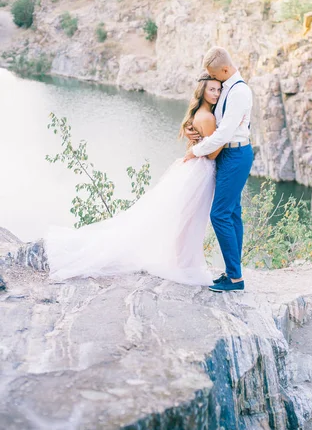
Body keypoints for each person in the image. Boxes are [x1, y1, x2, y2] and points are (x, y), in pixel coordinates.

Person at [45, 74, 222, 286]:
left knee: (185, 217)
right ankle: (185, 264)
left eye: (219, 90)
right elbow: (212, 154)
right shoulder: (209, 118)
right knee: (192, 219)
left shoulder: (199, 114)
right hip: (201, 170)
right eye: (212, 89)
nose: (216, 94)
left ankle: (183, 261)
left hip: (193, 169)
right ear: (202, 90)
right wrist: (226, 135)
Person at [183, 46, 253, 293]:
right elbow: (214, 117)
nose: (216, 82)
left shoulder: (239, 91)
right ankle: (234, 272)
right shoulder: (228, 88)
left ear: (225, 69)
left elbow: (224, 132)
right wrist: (193, 129)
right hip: (228, 153)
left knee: (220, 214)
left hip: (236, 154)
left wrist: (196, 151)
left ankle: (234, 278)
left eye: (217, 76)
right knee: (232, 213)